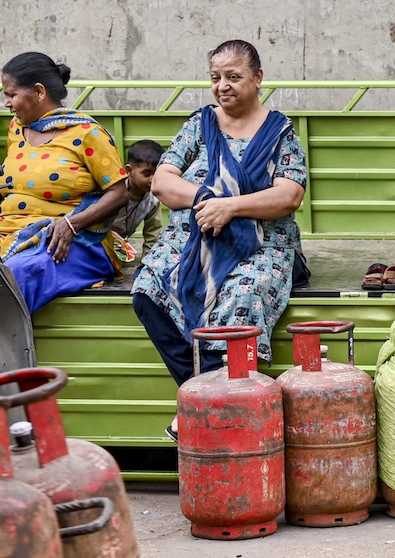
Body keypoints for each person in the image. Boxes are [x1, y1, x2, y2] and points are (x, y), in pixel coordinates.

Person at [131, 39, 308, 442]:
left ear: (258, 78)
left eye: (233, 76)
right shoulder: (200, 124)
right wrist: (205, 200)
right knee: (148, 289)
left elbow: (289, 194)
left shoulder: (279, 130)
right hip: (195, 238)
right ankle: (208, 398)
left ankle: (204, 409)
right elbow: (162, 181)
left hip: (261, 243)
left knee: (239, 299)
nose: (222, 86)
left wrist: (230, 207)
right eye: (215, 78)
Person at [0, 52, 128, 313]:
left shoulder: (88, 134)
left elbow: (118, 192)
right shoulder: (17, 129)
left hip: (72, 243)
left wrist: (72, 224)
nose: (6, 104)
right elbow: (15, 177)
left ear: (38, 92)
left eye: (11, 95)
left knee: (13, 275)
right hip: (9, 232)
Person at [110, 139, 166, 263]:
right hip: (101, 242)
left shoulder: (153, 200)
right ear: (129, 171)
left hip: (120, 246)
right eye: (147, 174)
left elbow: (153, 234)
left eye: (158, 174)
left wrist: (147, 263)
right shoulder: (113, 192)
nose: (153, 179)